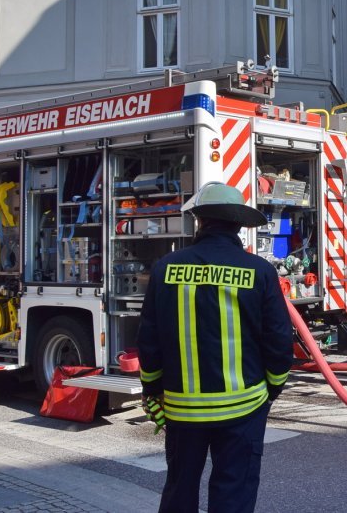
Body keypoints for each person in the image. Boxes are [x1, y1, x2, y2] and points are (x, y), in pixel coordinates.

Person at [138, 182, 293, 513]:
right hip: (243, 408)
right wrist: (273, 388)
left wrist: (152, 389)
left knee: (180, 488)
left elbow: (149, 340)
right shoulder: (260, 271)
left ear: (201, 221)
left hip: (182, 409)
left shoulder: (165, 268)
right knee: (233, 492)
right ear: (238, 224)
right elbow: (279, 340)